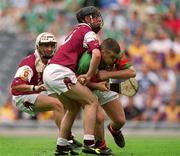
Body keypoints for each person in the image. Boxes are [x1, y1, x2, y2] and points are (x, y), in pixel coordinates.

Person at [43, 6, 107, 155]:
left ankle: (61, 146)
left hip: (50, 72)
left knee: (72, 108)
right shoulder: (88, 32)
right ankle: (89, 143)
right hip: (61, 72)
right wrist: (90, 75)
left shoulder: (75, 31)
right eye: (94, 16)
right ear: (86, 19)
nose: (98, 19)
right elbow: (96, 55)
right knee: (91, 101)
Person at [10, 32, 82, 155]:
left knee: (67, 102)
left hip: (38, 93)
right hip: (22, 97)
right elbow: (15, 86)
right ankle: (66, 140)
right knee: (57, 104)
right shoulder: (29, 63)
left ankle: (67, 139)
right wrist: (36, 88)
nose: (49, 49)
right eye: (45, 46)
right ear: (38, 46)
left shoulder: (52, 62)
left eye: (51, 45)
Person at [77, 38, 136, 151]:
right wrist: (96, 85)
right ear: (103, 53)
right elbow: (77, 83)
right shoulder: (86, 60)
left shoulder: (116, 55)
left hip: (104, 86)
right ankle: (101, 146)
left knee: (120, 121)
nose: (115, 60)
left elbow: (132, 72)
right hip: (86, 89)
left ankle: (113, 129)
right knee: (99, 117)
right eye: (112, 58)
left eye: (115, 57)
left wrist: (108, 74)